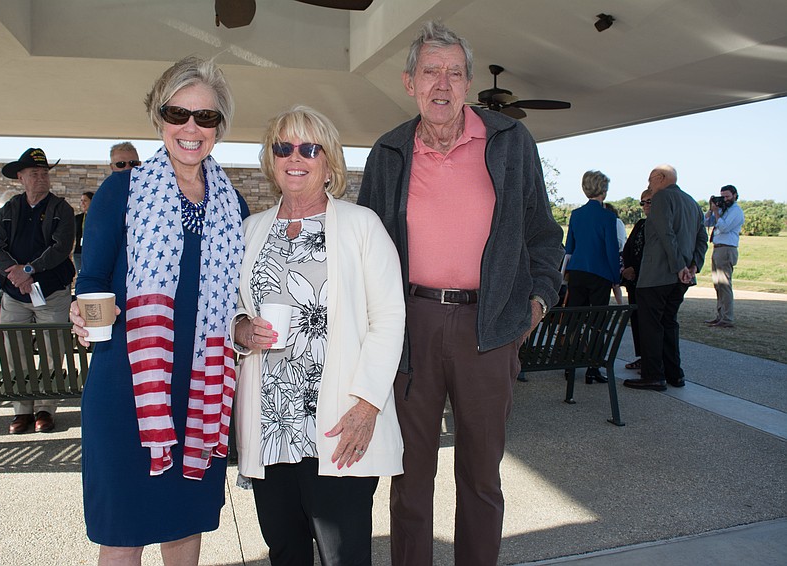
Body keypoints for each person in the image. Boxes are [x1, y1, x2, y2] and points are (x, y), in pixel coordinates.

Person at [357, 21, 564, 566]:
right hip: (411, 325)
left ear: (469, 80)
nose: (442, 84)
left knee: (481, 475)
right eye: (431, 72)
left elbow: (543, 232)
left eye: (453, 72)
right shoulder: (389, 152)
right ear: (410, 82)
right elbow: (367, 248)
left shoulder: (510, 141)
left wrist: (537, 302)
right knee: (409, 478)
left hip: (490, 327)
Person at [70, 56, 248, 565]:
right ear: (159, 116)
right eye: (179, 113)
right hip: (128, 386)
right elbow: (92, 282)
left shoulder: (231, 205)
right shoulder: (120, 192)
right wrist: (82, 316)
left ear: (219, 127)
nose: (191, 128)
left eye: (206, 117)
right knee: (122, 533)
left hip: (198, 389)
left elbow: (234, 298)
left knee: (183, 527)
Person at [232, 105, 405, 566]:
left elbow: (389, 318)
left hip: (337, 425)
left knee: (342, 554)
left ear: (329, 162)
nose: (295, 157)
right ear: (271, 159)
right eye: (283, 147)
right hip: (270, 428)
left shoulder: (361, 226)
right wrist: (242, 329)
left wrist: (368, 405)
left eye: (309, 148)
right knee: (285, 550)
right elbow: (232, 312)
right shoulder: (251, 231)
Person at [0, 147, 75, 434]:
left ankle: (45, 409)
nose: (40, 178)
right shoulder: (9, 210)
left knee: (53, 351)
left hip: (51, 293)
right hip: (15, 295)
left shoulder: (60, 208)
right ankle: (21, 411)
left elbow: (61, 248)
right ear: (20, 178)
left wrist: (29, 270)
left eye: (44, 173)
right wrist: (17, 275)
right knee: (15, 352)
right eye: (34, 174)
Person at [624, 165, 707, 392]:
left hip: (657, 275)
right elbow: (702, 239)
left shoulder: (661, 198)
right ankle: (674, 374)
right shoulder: (692, 203)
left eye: (650, 179)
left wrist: (679, 266)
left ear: (660, 178)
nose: (649, 184)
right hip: (681, 279)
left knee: (650, 325)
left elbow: (665, 233)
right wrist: (692, 266)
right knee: (669, 323)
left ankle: (653, 375)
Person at [562, 170, 621, 383]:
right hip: (600, 274)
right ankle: (592, 367)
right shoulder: (608, 217)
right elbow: (611, 250)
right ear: (603, 191)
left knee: (574, 319)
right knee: (597, 321)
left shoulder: (576, 215)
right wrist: (616, 277)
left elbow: (569, 248)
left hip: (578, 272)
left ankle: (569, 364)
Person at [703, 184, 745, 328]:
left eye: (727, 196)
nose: (725, 199)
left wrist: (717, 213)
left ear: (734, 195)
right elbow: (705, 222)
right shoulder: (722, 210)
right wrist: (712, 209)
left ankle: (727, 318)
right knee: (718, 284)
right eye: (723, 196)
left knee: (725, 284)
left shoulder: (736, 211)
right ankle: (720, 315)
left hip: (727, 249)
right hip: (718, 248)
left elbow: (724, 227)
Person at [620, 189, 653, 370]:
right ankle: (641, 356)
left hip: (648, 281)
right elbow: (628, 248)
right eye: (643, 202)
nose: (646, 206)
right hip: (633, 281)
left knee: (649, 322)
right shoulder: (640, 224)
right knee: (637, 320)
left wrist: (637, 269)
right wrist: (627, 269)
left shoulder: (658, 225)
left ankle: (651, 360)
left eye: (649, 202)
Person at [73, 191, 94, 272]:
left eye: (85, 201)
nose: (82, 203)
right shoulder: (77, 218)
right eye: (81, 201)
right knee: (81, 276)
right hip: (79, 252)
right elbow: (72, 236)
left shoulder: (97, 219)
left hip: (92, 252)